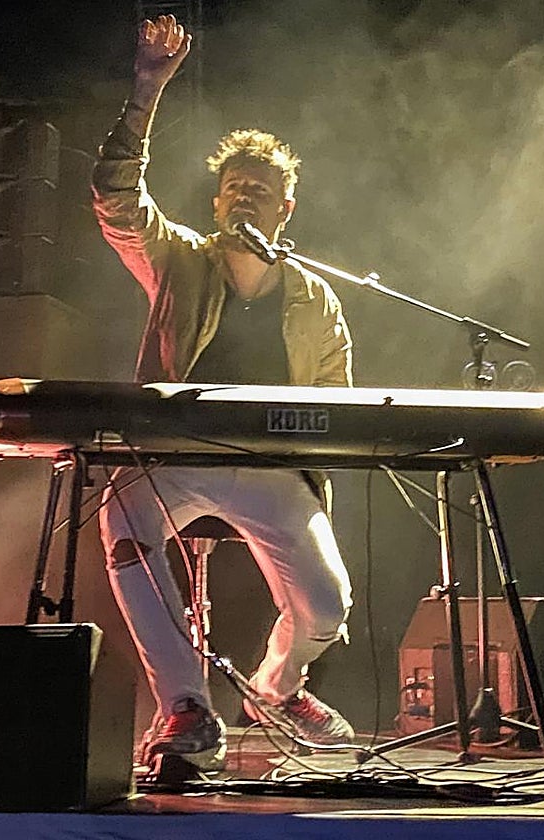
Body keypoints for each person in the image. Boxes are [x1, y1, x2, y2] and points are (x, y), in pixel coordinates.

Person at [91, 15, 355, 771]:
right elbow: (114, 196)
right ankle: (187, 706)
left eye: (261, 191)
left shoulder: (316, 300)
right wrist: (146, 89)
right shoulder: (178, 259)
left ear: (285, 210)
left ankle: (278, 685)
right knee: (121, 517)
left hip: (271, 468)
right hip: (175, 456)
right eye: (234, 188)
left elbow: (338, 402)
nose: (245, 198)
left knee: (328, 605)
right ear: (216, 203)